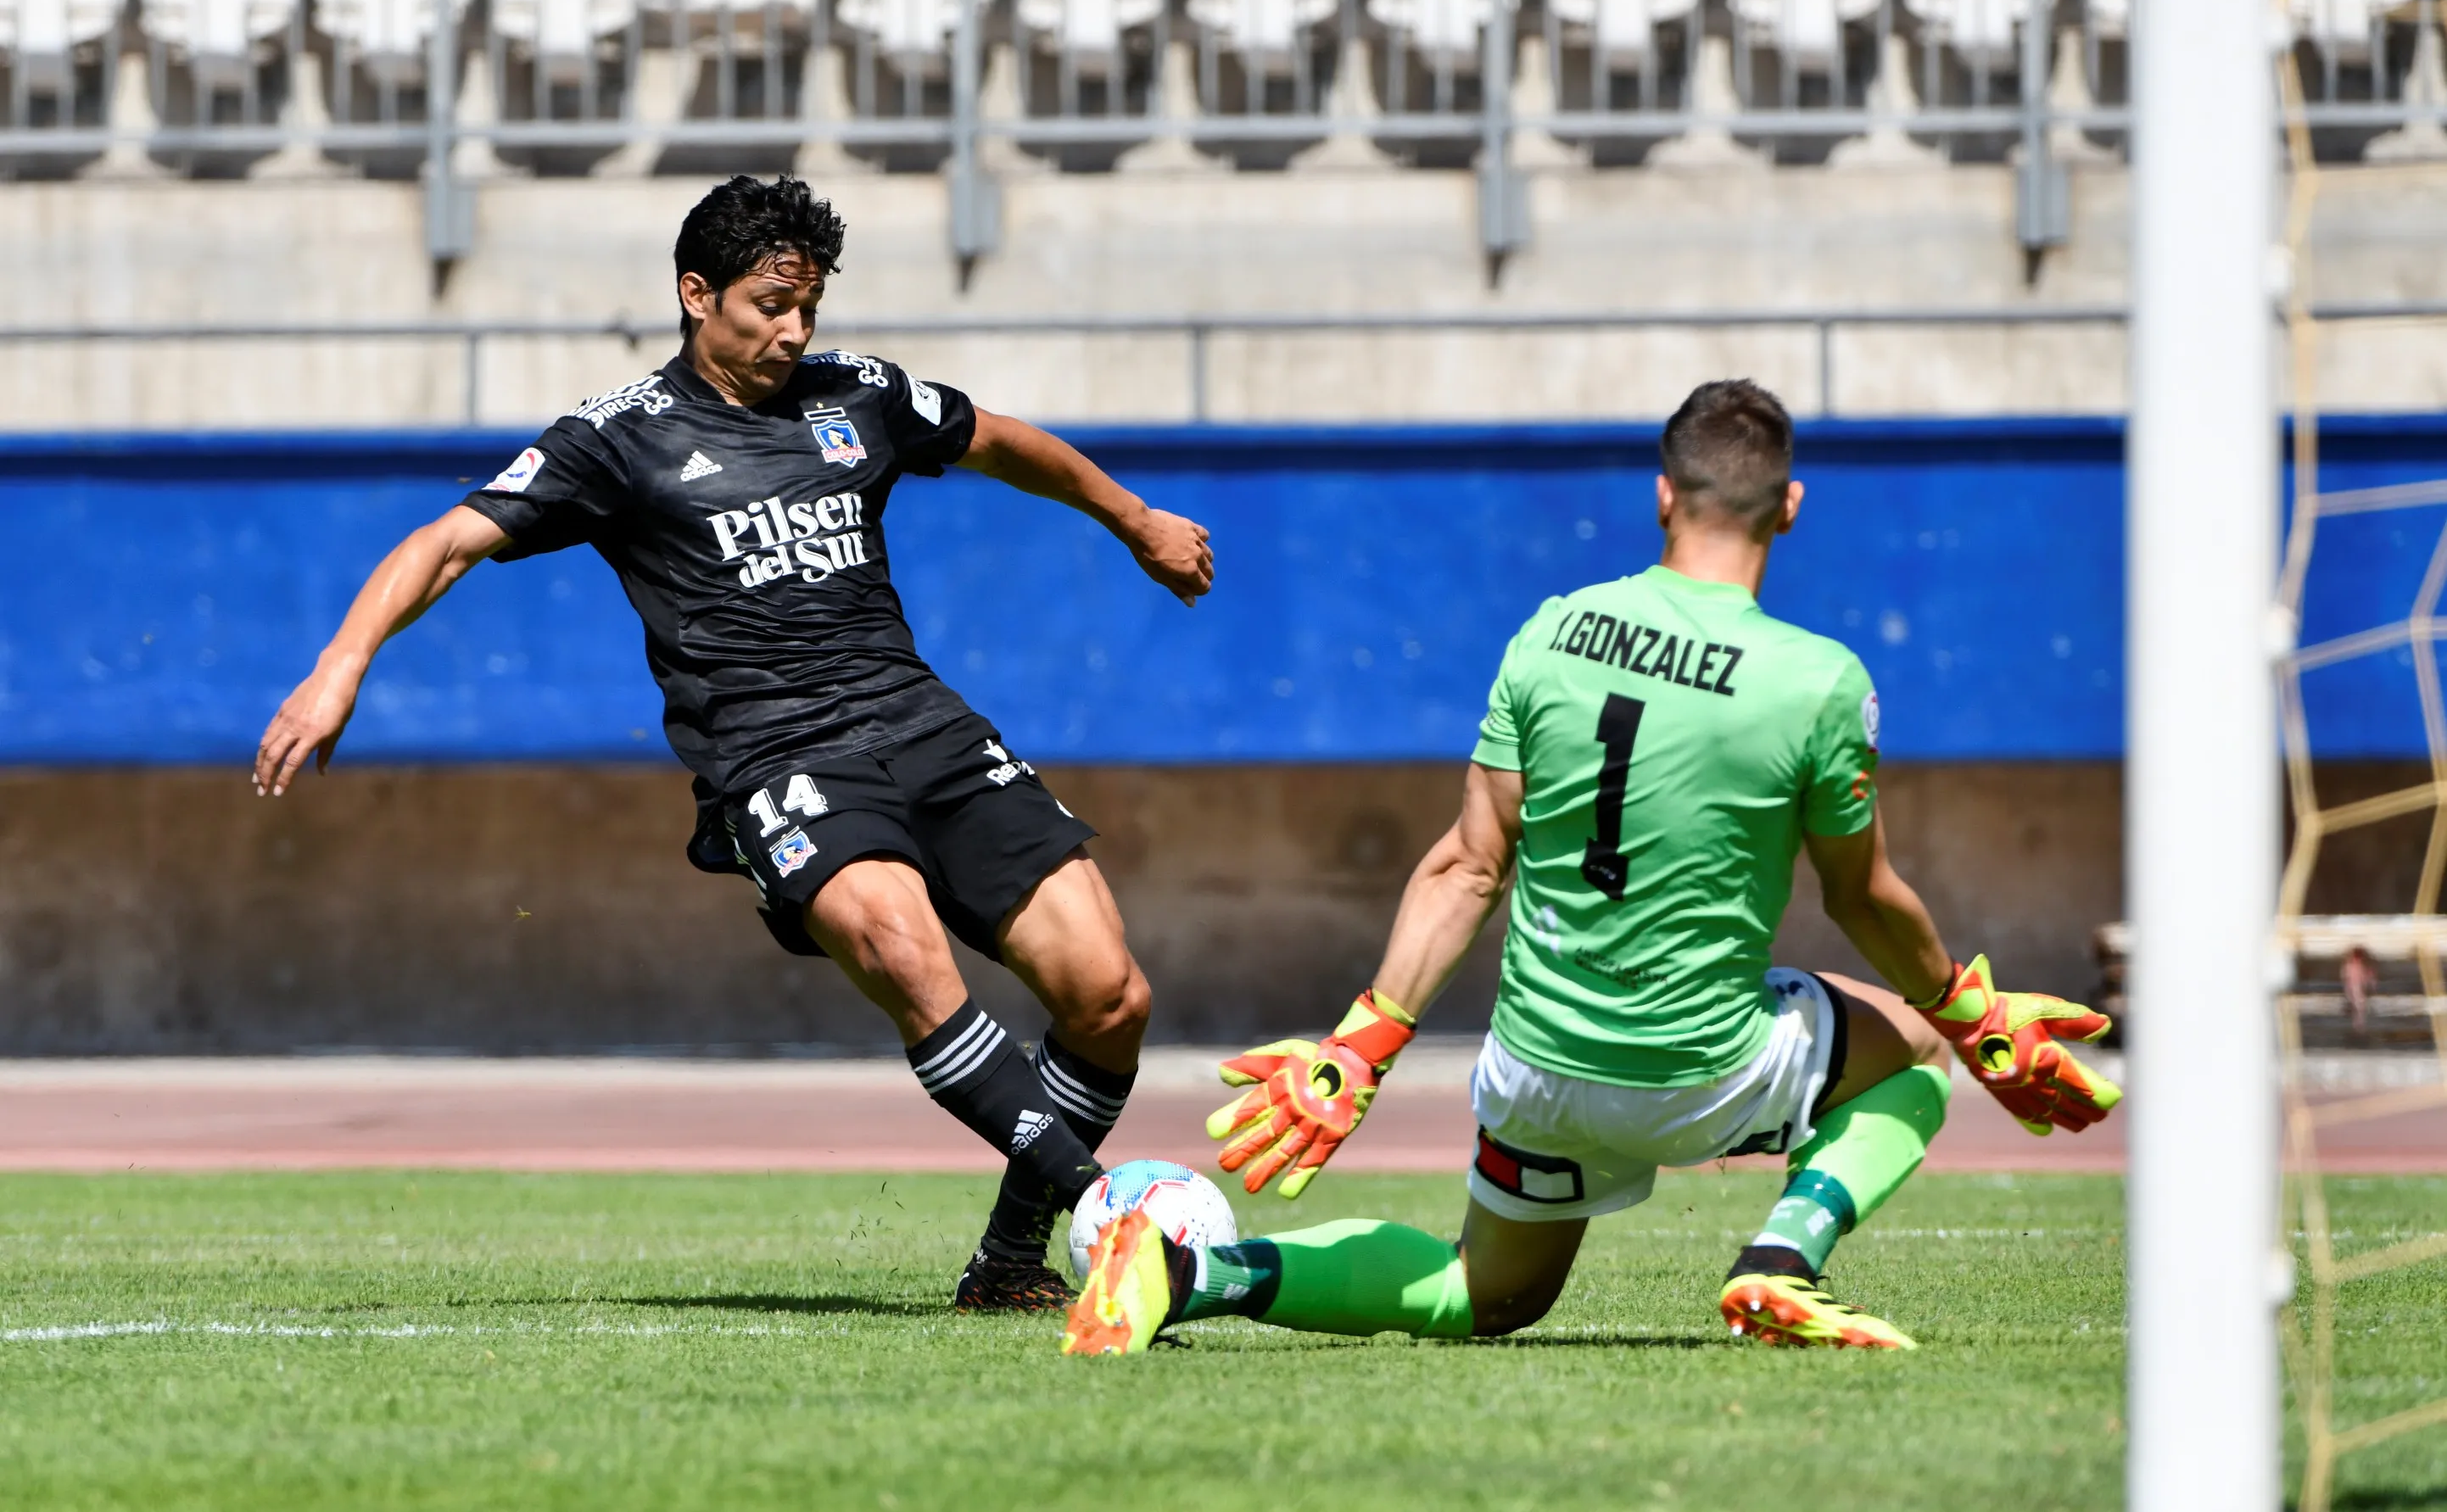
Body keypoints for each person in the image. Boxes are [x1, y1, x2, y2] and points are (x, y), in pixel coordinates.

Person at [254, 175, 1215, 1312]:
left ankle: (1011, 1261)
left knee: (1110, 995)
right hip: (778, 756)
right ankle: (1112, 1211)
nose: (793, 330)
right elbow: (444, 542)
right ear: (696, 293)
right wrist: (340, 664)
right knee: (907, 953)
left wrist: (1136, 518)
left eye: (807, 305)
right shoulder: (618, 438)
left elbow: (1002, 440)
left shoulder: (857, 394)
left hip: (921, 719)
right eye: (769, 305)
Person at [1061, 378, 2119, 1356]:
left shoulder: (1552, 633)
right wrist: (1972, 1018)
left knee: (1484, 1295)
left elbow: (1468, 866)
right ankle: (1780, 1260)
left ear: (1662, 495)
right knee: (1920, 1049)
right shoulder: (1818, 682)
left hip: (1535, 1075)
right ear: (1788, 506)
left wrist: (1361, 1045)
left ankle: (1183, 1269)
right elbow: (1861, 896)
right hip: (1700, 1072)